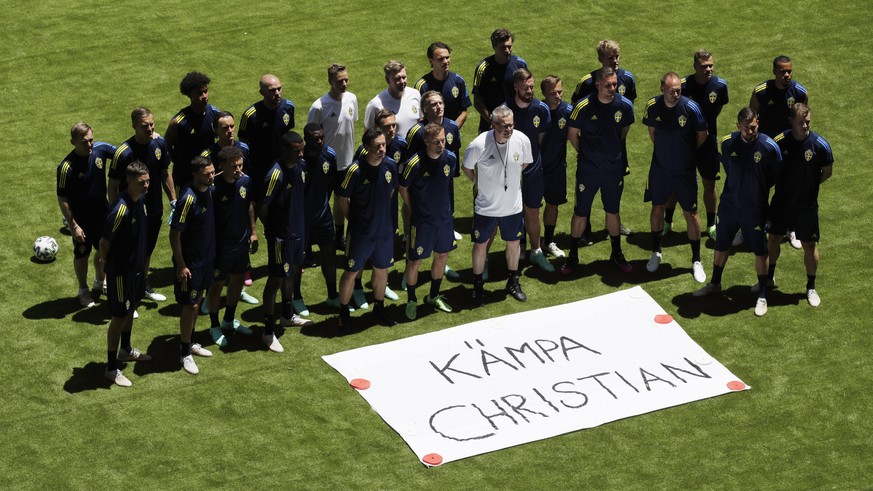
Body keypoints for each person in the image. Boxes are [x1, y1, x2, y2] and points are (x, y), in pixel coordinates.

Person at [693, 108, 782, 317]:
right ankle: (715, 283)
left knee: (760, 250)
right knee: (721, 244)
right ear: (738, 126)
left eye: (754, 127)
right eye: (746, 128)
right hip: (730, 206)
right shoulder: (727, 143)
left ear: (758, 123)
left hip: (755, 208)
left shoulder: (769, 147)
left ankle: (762, 294)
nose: (751, 131)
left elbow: (777, 176)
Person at [562, 68, 635, 275]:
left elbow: (622, 134)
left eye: (614, 85)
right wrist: (585, 153)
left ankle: (616, 253)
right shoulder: (582, 106)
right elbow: (572, 134)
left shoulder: (625, 106)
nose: (612, 89)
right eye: (608, 85)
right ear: (597, 85)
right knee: (581, 212)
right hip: (588, 170)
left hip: (613, 169)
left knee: (612, 211)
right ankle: (573, 255)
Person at [641, 72, 708, 282]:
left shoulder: (691, 108)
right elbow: (653, 133)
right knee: (657, 208)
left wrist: (685, 154)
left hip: (685, 172)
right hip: (660, 170)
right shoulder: (653, 106)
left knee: (691, 213)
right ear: (662, 89)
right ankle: (656, 252)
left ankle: (696, 260)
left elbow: (702, 135)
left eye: (678, 90)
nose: (676, 94)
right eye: (671, 90)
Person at [463, 105, 532, 305]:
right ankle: (477, 287)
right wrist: (478, 182)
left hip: (512, 206)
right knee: (480, 245)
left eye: (511, 125)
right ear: (493, 125)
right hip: (486, 207)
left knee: (514, 243)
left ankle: (513, 281)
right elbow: (467, 167)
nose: (508, 129)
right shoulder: (478, 145)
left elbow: (524, 164)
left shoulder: (522, 140)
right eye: (503, 126)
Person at [767, 103, 833, 307]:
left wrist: (810, 186)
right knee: (774, 238)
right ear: (791, 122)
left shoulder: (820, 145)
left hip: (807, 205)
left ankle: (811, 287)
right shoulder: (779, 141)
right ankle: (769, 278)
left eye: (807, 122)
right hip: (782, 202)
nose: (805, 125)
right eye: (801, 122)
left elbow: (827, 171)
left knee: (809, 244)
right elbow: (770, 167)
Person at [570, 39, 636, 238]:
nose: (615, 61)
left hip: (615, 145)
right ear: (600, 59)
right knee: (586, 192)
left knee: (614, 189)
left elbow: (627, 110)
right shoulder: (587, 82)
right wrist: (584, 147)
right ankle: (585, 231)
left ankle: (615, 224)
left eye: (617, 56)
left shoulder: (628, 79)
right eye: (610, 57)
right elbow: (574, 110)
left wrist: (618, 139)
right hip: (591, 146)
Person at [109, 107, 176, 303]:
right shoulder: (123, 153)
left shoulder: (159, 143)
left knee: (146, 250)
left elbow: (165, 173)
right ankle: (129, 295)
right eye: (145, 125)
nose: (150, 128)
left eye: (152, 124)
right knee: (131, 254)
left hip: (154, 209)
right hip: (131, 213)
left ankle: (142, 286)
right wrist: (116, 213)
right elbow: (112, 185)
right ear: (134, 126)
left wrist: (173, 200)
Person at [257, 131, 314, 353]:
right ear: (285, 150)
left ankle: (287, 315)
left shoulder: (301, 167)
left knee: (293, 273)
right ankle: (268, 331)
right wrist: (271, 230)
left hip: (297, 233)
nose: (301, 153)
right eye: (297, 150)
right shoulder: (275, 175)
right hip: (282, 237)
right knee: (276, 280)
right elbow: (262, 205)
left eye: (302, 149)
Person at [336, 127, 399, 328]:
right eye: (377, 146)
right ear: (366, 148)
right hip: (361, 234)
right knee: (351, 272)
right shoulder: (355, 171)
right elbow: (342, 199)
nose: (382, 149)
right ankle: (343, 312)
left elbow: (390, 193)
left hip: (383, 232)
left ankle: (379, 308)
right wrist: (354, 221)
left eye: (383, 145)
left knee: (382, 269)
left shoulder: (390, 166)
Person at [99, 161, 153, 387]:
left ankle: (126, 350)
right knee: (119, 315)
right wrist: (106, 264)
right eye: (142, 183)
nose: (147, 186)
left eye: (148, 181)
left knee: (132, 308)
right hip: (121, 273)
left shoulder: (140, 200)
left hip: (137, 270)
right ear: (129, 181)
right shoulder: (120, 209)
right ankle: (111, 368)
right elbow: (104, 242)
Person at [749, 55, 808, 249]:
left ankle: (792, 228)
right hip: (766, 149)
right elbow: (751, 118)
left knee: (790, 190)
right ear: (774, 71)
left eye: (789, 70)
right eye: (782, 71)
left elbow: (803, 117)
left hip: (790, 149)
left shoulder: (799, 92)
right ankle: (755, 224)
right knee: (760, 188)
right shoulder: (761, 92)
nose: (787, 74)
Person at [399, 123, 457, 320]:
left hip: (444, 220)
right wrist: (413, 208)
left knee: (441, 257)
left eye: (442, 141)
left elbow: (448, 186)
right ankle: (412, 299)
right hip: (422, 222)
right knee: (415, 261)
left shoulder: (450, 158)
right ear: (426, 142)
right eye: (436, 142)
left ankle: (433, 295)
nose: (441, 145)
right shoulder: (414, 164)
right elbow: (403, 187)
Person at [200, 111, 259, 304]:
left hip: (240, 208)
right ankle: (210, 297)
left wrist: (253, 229)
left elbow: (248, 181)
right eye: (225, 128)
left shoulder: (244, 148)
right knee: (218, 265)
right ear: (216, 131)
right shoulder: (208, 155)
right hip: (219, 218)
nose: (230, 131)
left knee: (238, 265)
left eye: (232, 126)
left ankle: (238, 292)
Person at [351, 109, 408, 305]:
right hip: (366, 210)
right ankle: (357, 288)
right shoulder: (364, 153)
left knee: (384, 250)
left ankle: (382, 287)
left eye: (394, 125)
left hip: (387, 206)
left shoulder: (400, 145)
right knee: (359, 255)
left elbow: (396, 182)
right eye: (387, 127)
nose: (392, 129)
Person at [203, 146, 257, 348]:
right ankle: (214, 325)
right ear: (221, 166)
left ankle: (229, 319)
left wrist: (253, 231)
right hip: (220, 247)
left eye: (241, 165)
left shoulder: (245, 181)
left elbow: (249, 205)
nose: (239, 170)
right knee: (216, 285)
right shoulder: (212, 188)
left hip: (241, 243)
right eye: (234, 166)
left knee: (237, 281)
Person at [57, 122, 115, 308]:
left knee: (104, 249)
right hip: (82, 220)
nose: (90, 145)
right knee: (82, 254)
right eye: (84, 142)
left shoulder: (101, 150)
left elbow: (123, 153)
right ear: (73, 142)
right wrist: (73, 226)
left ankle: (100, 282)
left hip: (103, 214)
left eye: (91, 140)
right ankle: (83, 290)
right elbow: (63, 198)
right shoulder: (66, 167)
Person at [405, 90, 464, 270]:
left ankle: (441, 266)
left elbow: (453, 156)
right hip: (421, 190)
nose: (438, 107)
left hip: (444, 186)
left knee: (442, 229)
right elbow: (408, 165)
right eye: (433, 104)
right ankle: (410, 270)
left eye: (440, 103)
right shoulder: (416, 131)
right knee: (415, 234)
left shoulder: (452, 126)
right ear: (424, 109)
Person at [169, 157, 217, 375]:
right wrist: (181, 264)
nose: (211, 176)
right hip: (191, 264)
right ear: (196, 174)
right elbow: (175, 233)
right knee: (191, 306)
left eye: (213, 172)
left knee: (198, 301)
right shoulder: (188, 199)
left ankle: (190, 342)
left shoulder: (208, 189)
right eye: (207, 174)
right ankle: (184, 352)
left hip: (206, 259)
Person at [676, 49, 729, 239]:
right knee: (677, 182)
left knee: (709, 183)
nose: (708, 69)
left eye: (710, 66)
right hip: (685, 143)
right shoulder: (682, 85)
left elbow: (716, 110)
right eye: (704, 66)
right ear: (695, 67)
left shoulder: (720, 86)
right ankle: (666, 222)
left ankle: (710, 224)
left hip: (708, 142)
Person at [505, 68, 553, 272]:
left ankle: (537, 251)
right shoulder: (505, 111)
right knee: (511, 212)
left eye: (532, 87)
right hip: (510, 171)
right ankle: (517, 248)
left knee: (533, 211)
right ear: (516, 87)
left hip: (533, 170)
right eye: (525, 87)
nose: (529, 91)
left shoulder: (541, 109)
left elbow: (540, 139)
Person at [308, 64, 359, 253]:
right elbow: (311, 136)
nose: (344, 84)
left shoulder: (352, 99)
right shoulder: (319, 106)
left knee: (342, 200)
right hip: (325, 165)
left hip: (346, 162)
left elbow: (350, 126)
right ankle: (311, 244)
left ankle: (339, 235)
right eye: (340, 81)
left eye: (346, 79)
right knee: (320, 204)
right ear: (330, 82)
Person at [301, 123, 343, 309]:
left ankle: (332, 295)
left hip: (323, 217)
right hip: (301, 220)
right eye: (315, 138)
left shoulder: (330, 154)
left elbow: (332, 181)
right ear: (306, 139)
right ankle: (295, 298)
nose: (319, 141)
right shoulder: (298, 159)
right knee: (298, 260)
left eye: (321, 137)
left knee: (329, 255)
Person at [239, 74, 296, 197]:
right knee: (259, 202)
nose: (277, 93)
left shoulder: (288, 107)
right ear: (262, 92)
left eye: (279, 89)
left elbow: (289, 133)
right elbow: (243, 143)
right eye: (272, 90)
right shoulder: (250, 115)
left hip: (283, 165)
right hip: (260, 168)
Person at [165, 72, 221, 192]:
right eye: (199, 93)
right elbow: (167, 146)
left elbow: (221, 139)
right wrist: (179, 163)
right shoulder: (178, 122)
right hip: (185, 176)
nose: (204, 96)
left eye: (205, 91)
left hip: (207, 172)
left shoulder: (215, 114)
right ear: (189, 95)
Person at [539, 75, 573, 259]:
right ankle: (531, 245)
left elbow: (575, 135)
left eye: (560, 92)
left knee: (553, 205)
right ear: (544, 93)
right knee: (531, 208)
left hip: (557, 168)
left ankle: (548, 241)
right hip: (535, 169)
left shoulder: (568, 110)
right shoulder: (536, 109)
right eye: (553, 93)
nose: (557, 96)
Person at [472, 28, 528, 133]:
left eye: (509, 47)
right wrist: (492, 121)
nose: (507, 50)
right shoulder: (483, 68)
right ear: (494, 47)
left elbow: (526, 92)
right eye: (503, 47)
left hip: (515, 123)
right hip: (490, 125)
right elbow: (478, 100)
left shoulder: (520, 65)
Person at [414, 42, 472, 128]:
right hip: (430, 137)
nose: (445, 62)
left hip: (451, 136)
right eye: (440, 59)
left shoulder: (458, 81)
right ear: (431, 61)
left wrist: (451, 130)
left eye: (447, 57)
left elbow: (463, 112)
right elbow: (418, 117)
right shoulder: (422, 86)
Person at [364, 61, 421, 137]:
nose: (402, 81)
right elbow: (368, 134)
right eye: (397, 78)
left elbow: (421, 121)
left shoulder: (415, 94)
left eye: (404, 77)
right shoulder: (375, 104)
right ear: (387, 80)